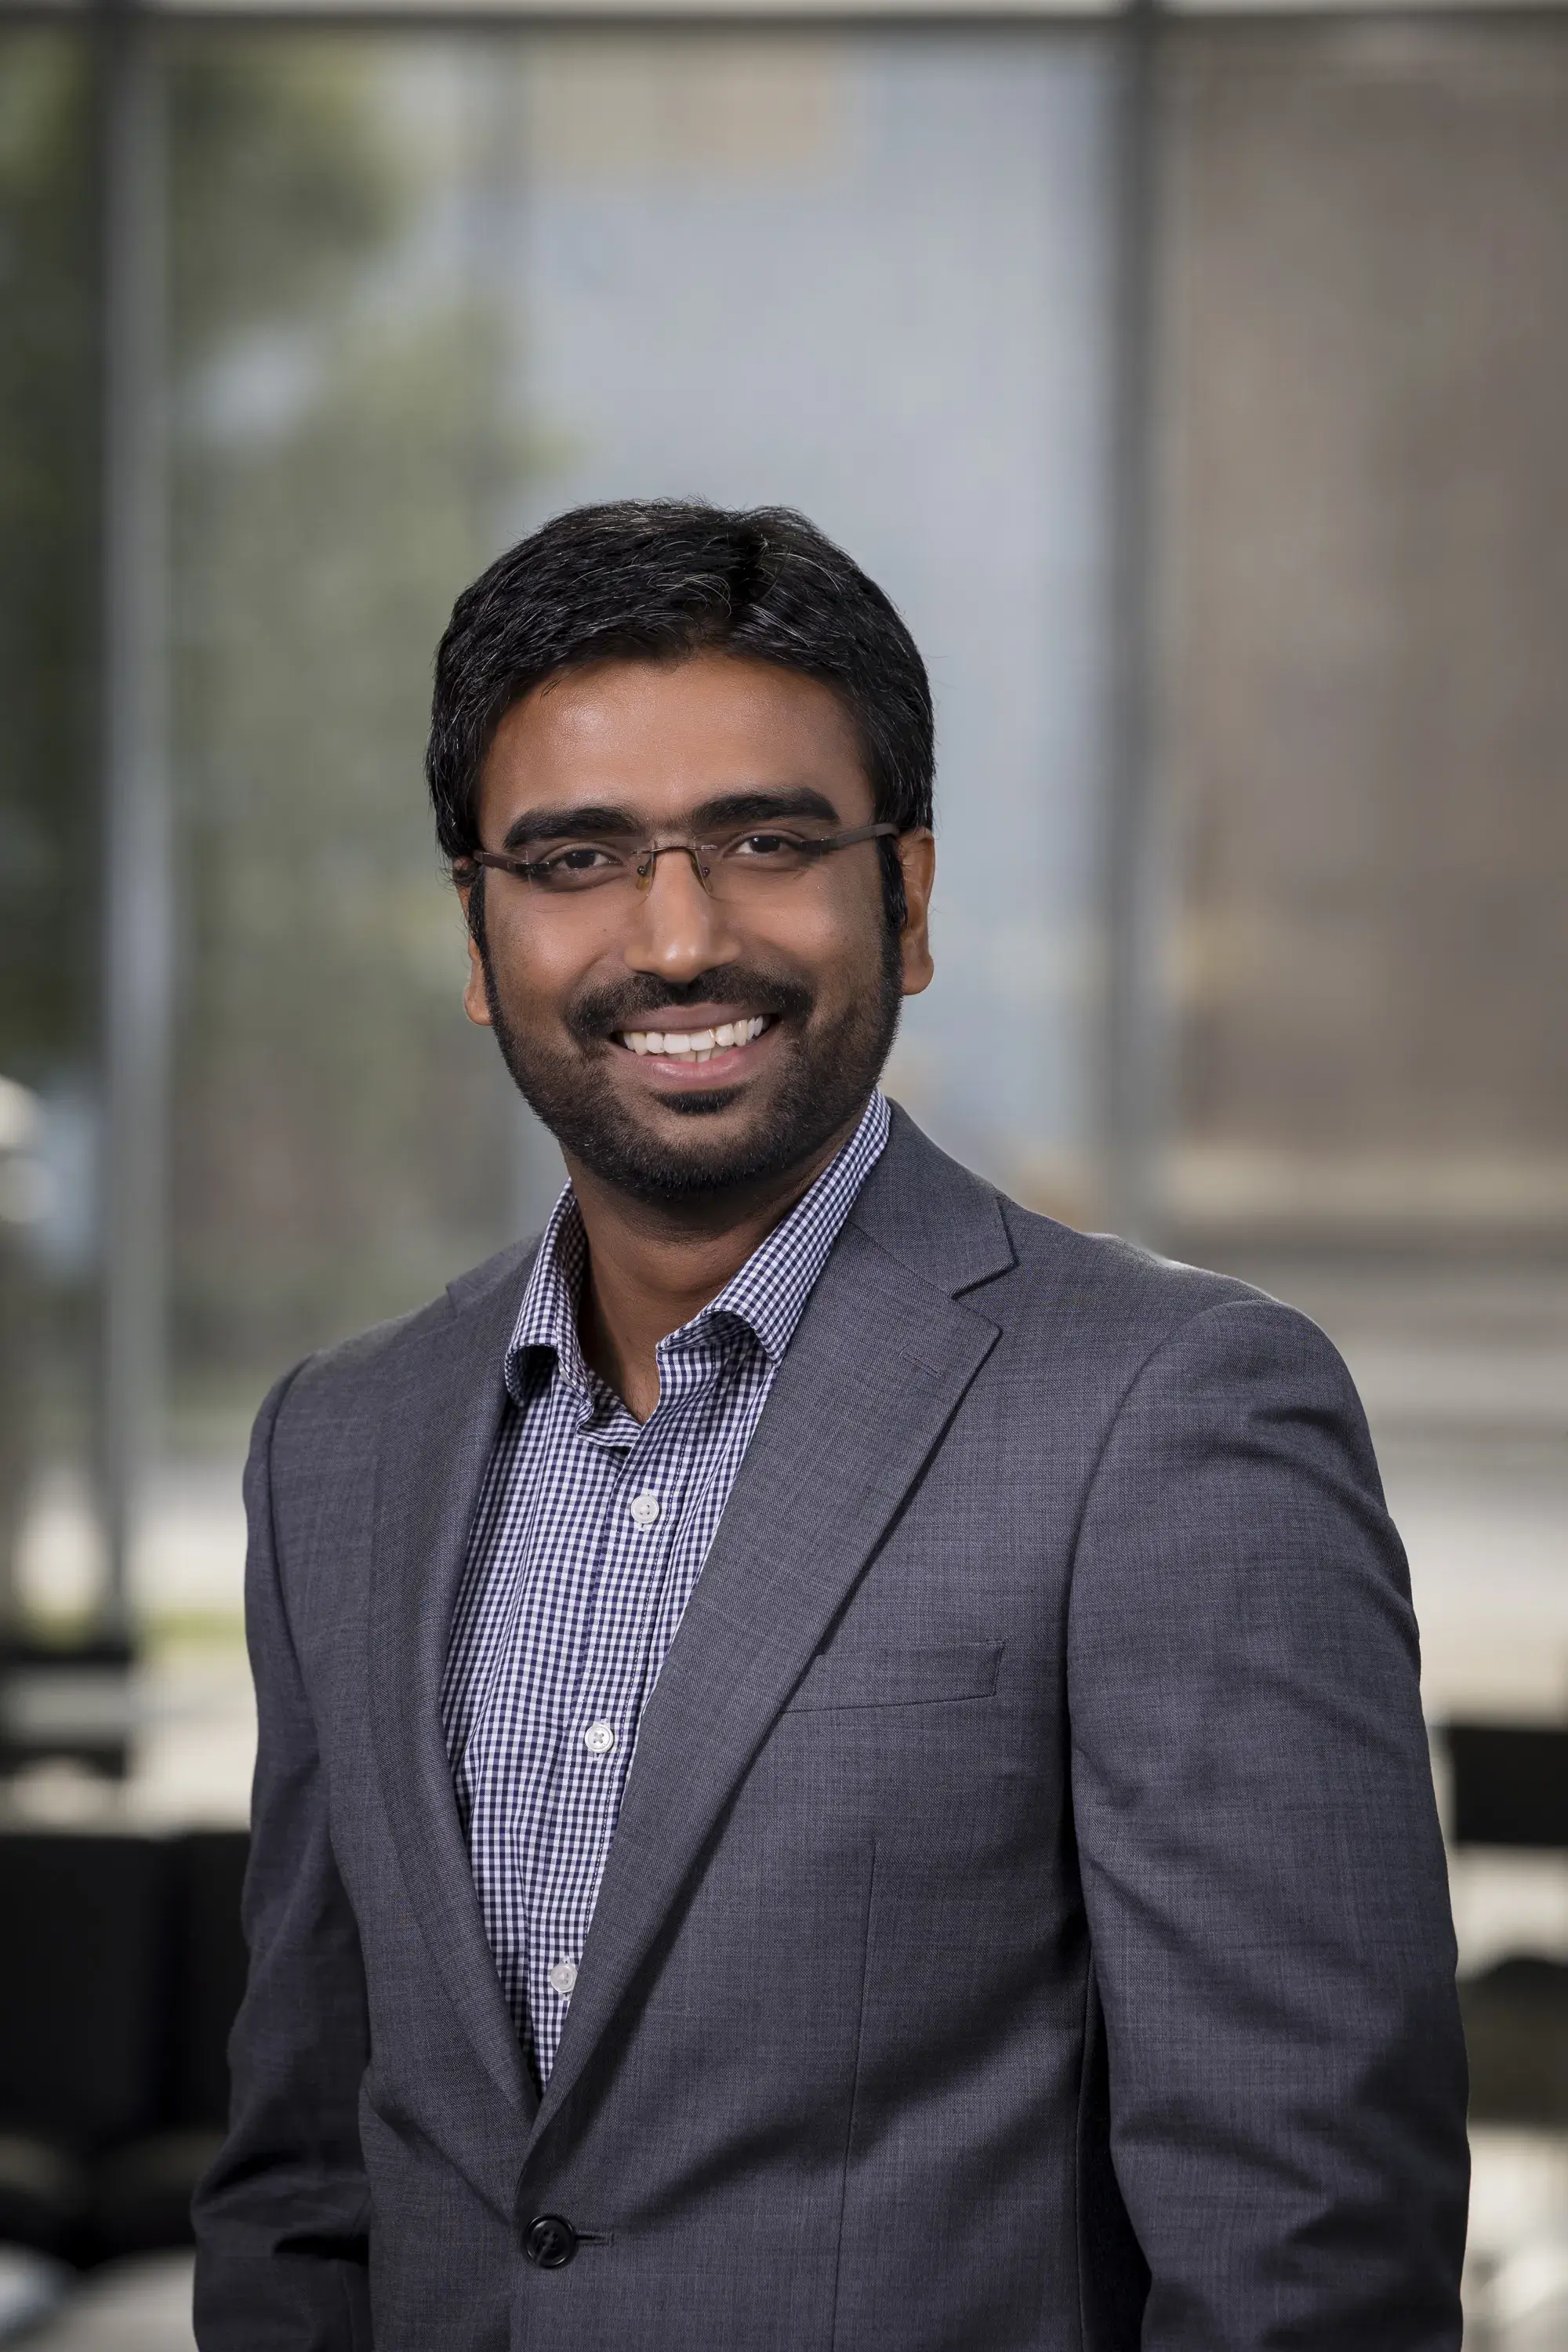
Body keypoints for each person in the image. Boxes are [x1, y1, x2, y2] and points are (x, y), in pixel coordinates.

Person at [192, 500, 1467, 2351]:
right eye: (578, 856)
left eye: (768, 841)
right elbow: (306, 2178)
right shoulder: (340, 1446)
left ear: (910, 898)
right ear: (479, 933)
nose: (680, 935)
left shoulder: (1169, 1418)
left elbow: (1308, 2244)